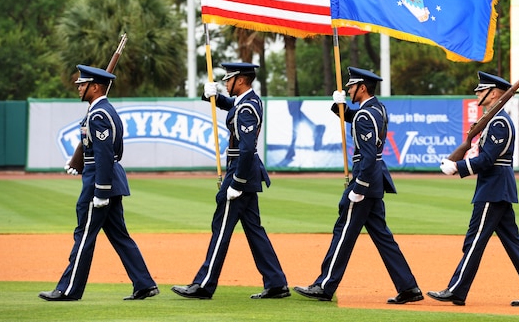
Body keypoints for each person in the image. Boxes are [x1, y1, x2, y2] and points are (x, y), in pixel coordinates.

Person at [294, 67, 423, 304]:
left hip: (365, 182)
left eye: (351, 87)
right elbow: (358, 120)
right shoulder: (377, 109)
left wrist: (358, 187)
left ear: (362, 88)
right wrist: (339, 108)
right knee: (383, 237)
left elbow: (367, 153)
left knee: (343, 232)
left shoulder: (366, 115)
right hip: (376, 180)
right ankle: (408, 287)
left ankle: (324, 285)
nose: (348, 89)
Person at [427, 71, 519, 307]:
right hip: (497, 187)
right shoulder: (493, 121)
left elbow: (488, 160)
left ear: (493, 93)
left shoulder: (500, 122)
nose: (477, 94)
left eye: (481, 90)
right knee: (513, 242)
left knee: (474, 241)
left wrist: (457, 167)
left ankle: (456, 290)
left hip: (493, 188)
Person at [39, 65, 159, 301]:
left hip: (99, 183)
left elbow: (105, 154)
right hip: (109, 179)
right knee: (119, 236)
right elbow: (111, 151)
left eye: (83, 85)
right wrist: (78, 162)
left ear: (95, 87)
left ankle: (68, 289)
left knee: (83, 235)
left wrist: (100, 191)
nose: (79, 88)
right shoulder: (105, 111)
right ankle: (144, 284)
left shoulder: (98, 115)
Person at [171, 62, 290, 300]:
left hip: (240, 172)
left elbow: (246, 150)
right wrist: (211, 97)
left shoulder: (247, 108)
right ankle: (276, 282)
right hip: (244, 171)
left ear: (242, 80)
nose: (226, 83)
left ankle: (204, 284)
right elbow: (232, 107)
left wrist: (237, 182)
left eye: (229, 79)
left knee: (221, 228)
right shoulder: (246, 102)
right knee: (254, 230)